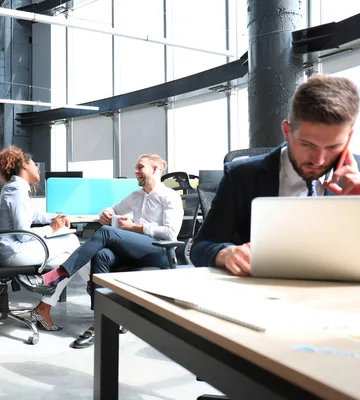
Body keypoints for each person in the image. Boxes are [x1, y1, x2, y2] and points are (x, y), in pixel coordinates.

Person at [191, 74, 360, 275]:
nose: (319, 160)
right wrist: (225, 253)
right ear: (287, 131)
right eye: (307, 145)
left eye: (333, 146)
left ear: (348, 138)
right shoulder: (241, 176)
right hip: (264, 296)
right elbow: (200, 247)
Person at [18, 154, 184, 348]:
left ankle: (54, 276)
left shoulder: (169, 196)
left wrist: (135, 227)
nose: (136, 171)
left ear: (155, 169)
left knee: (106, 233)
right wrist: (105, 214)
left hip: (158, 251)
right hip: (135, 250)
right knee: (101, 255)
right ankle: (101, 322)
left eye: (140, 168)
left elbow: (171, 233)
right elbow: (111, 209)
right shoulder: (136, 196)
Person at [0, 145, 87, 331]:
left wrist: (54, 217)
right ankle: (94, 288)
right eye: (34, 164)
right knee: (72, 242)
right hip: (15, 252)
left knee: (68, 262)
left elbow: (32, 216)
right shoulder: (16, 189)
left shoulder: (16, 187)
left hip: (14, 250)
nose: (38, 168)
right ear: (24, 166)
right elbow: (23, 234)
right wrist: (51, 229)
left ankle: (44, 307)